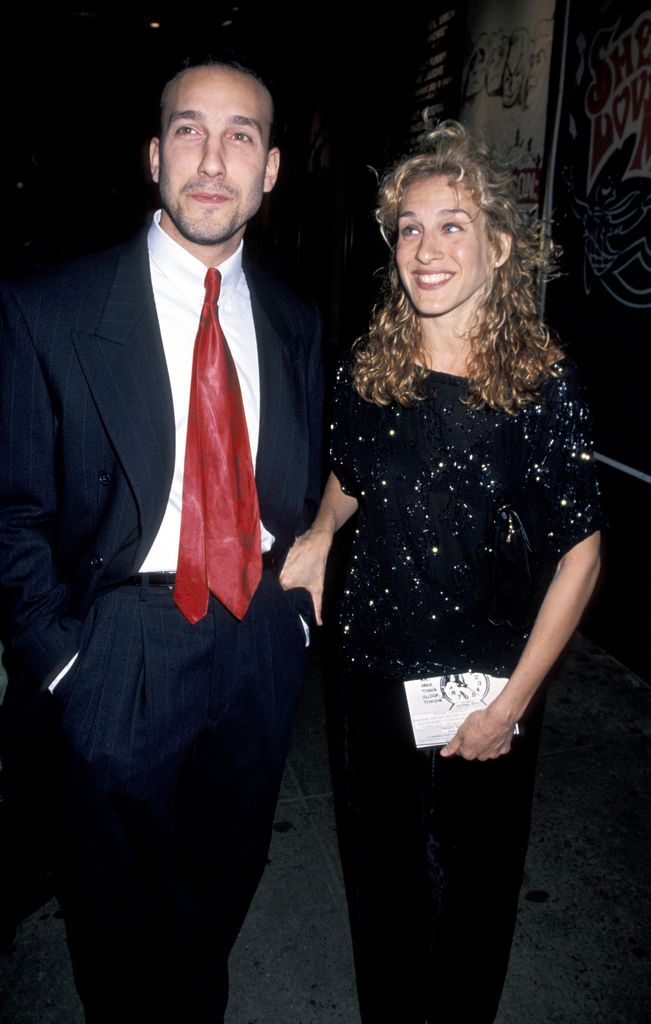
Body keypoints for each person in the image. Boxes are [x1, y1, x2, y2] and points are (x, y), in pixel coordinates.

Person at [0, 59, 322, 1023]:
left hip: (258, 636)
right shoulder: (49, 309)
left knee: (215, 900)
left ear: (271, 171)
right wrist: (62, 663)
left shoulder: (298, 322)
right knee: (112, 921)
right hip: (118, 648)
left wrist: (296, 613)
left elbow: (314, 479)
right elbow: (10, 510)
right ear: (153, 156)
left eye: (241, 136)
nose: (213, 159)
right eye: (189, 131)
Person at [280, 121, 603, 1023]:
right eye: (409, 227)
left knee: (472, 896)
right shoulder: (368, 366)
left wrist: (509, 707)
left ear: (498, 245)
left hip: (488, 679)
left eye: (452, 224)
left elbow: (580, 555)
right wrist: (317, 531)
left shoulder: (540, 382)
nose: (425, 248)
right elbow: (355, 471)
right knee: (382, 892)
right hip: (372, 669)